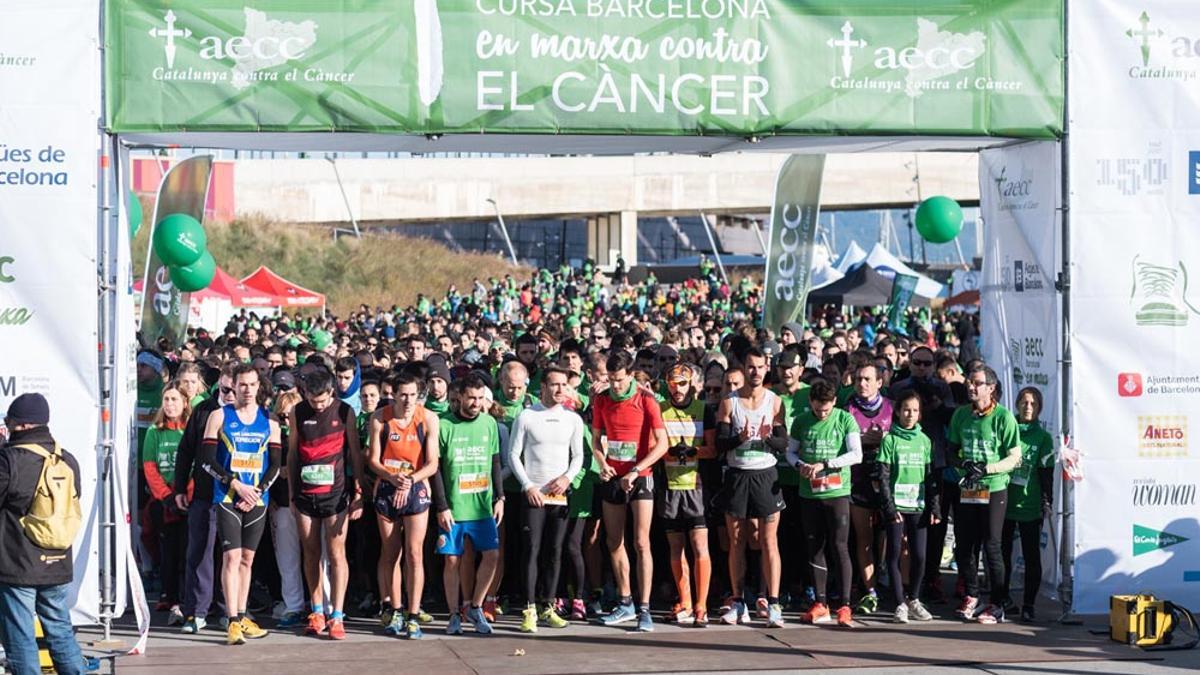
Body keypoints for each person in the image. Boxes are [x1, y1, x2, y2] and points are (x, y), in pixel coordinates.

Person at [0, 393, 85, 675]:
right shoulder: (66, 459)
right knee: (60, 629)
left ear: (21, 425)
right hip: (58, 560)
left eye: (9, 421)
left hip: (18, 563)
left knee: (20, 634)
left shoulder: (10, 459)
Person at [200, 363, 282, 645]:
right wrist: (235, 485)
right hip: (227, 497)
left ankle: (244, 614)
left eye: (252, 385)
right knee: (231, 558)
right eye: (242, 384)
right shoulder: (219, 416)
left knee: (248, 560)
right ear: (233, 386)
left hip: (257, 500)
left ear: (260, 387)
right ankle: (232, 619)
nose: (247, 390)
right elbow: (206, 460)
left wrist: (256, 492)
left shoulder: (270, 421)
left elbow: (276, 467)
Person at [593, 351, 669, 632]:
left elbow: (662, 444)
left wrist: (637, 470)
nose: (615, 386)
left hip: (641, 476)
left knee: (641, 542)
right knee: (613, 541)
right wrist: (602, 463)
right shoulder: (602, 399)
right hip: (613, 476)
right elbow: (596, 438)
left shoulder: (646, 399)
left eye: (620, 380)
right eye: (611, 380)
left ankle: (645, 608)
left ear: (631, 375)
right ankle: (626, 602)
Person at [288, 367, 364, 640]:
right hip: (306, 494)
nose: (318, 406)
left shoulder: (345, 412)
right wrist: (292, 493)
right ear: (305, 393)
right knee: (310, 552)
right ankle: (317, 609)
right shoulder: (297, 412)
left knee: (336, 554)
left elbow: (355, 452)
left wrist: (360, 491)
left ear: (332, 392)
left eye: (322, 401)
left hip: (336, 493)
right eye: (312, 400)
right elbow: (293, 453)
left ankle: (337, 614)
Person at [507, 366, 584, 633]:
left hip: (559, 496)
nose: (561, 389)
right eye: (555, 385)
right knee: (532, 550)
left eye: (564, 384)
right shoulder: (527, 416)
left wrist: (567, 479)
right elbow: (513, 455)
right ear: (542, 388)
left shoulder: (573, 419)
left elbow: (578, 456)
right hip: (533, 495)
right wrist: (527, 485)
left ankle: (548, 605)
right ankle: (529, 608)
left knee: (555, 551)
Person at [714, 348, 787, 628]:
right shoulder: (729, 402)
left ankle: (774, 603)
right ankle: (738, 600)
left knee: (769, 541)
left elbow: (784, 444)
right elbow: (720, 445)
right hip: (737, 476)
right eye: (750, 367)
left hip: (765, 476)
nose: (755, 372)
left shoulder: (775, 402)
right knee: (736, 541)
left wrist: (769, 440)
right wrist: (738, 438)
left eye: (760, 367)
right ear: (743, 368)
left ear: (767, 368)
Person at [368, 372, 439, 639]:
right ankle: (395, 608)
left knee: (414, 553)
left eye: (413, 395)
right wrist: (391, 477)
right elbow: (373, 460)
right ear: (394, 395)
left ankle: (413, 612)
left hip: (416, 486)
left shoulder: (429, 418)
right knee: (390, 553)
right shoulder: (379, 418)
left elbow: (432, 463)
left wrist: (409, 480)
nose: (408, 400)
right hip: (387, 487)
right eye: (403, 395)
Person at [432, 374, 504, 635]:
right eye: (471, 398)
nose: (475, 403)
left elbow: (495, 461)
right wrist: (442, 506)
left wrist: (500, 497)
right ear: (460, 397)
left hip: (482, 506)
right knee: (452, 560)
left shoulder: (489, 423)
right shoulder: (444, 425)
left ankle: (475, 606)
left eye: (480, 398)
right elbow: (436, 469)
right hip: (454, 507)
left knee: (492, 556)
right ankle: (453, 614)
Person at [949, 365, 1022, 624]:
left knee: (992, 545)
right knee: (966, 545)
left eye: (977, 383)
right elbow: (952, 449)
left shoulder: (1004, 417)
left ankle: (998, 603)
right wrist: (963, 464)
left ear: (991, 388)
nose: (971, 386)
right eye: (969, 382)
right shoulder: (961, 414)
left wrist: (987, 468)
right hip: (969, 486)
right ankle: (971, 595)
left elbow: (1015, 457)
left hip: (994, 486)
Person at [787, 378, 862, 628]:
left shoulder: (844, 419)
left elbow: (856, 454)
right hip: (810, 493)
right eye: (818, 409)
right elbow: (790, 451)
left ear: (834, 403)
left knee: (839, 546)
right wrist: (800, 465)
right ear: (811, 402)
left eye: (826, 409)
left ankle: (844, 604)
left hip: (837, 492)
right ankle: (820, 603)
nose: (822, 413)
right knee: (814, 547)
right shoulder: (801, 421)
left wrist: (827, 464)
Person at [174, 366, 237, 634]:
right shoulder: (203, 411)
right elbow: (186, 450)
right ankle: (197, 611)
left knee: (232, 556)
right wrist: (179, 487)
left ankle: (228, 610)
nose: (232, 394)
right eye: (225, 390)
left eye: (238, 389)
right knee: (199, 553)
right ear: (217, 387)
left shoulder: (251, 413)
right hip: (204, 492)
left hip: (237, 496)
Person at [658, 364, 715, 626]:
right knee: (675, 548)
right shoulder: (660, 410)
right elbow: (654, 446)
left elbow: (712, 450)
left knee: (700, 546)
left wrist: (692, 451)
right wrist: (672, 452)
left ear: (691, 384)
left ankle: (701, 606)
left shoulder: (705, 409)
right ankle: (686, 601)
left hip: (697, 486)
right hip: (669, 485)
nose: (677, 389)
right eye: (672, 383)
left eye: (682, 383)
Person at [875, 390, 939, 624]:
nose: (910, 415)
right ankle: (900, 603)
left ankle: (914, 599)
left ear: (920, 414)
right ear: (898, 412)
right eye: (906, 410)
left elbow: (930, 476)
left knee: (920, 556)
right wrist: (889, 507)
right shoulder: (890, 440)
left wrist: (935, 507)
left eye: (914, 411)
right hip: (897, 507)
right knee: (893, 554)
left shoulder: (924, 441)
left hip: (919, 506)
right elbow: (882, 476)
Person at [1002, 387, 1055, 623]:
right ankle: (1001, 599)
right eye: (1024, 402)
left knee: (1031, 556)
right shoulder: (1007, 428)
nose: (1028, 407)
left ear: (1040, 408)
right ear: (1017, 404)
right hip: (1003, 501)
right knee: (1001, 555)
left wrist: (1047, 500)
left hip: (1030, 504)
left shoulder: (1043, 438)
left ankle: (1029, 605)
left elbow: (1046, 473)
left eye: (1033, 403)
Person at [844, 363, 892, 616]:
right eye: (859, 379)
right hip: (857, 479)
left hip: (886, 480)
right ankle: (869, 590)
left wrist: (883, 439)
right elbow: (841, 440)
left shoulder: (891, 407)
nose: (862, 384)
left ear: (879, 383)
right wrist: (864, 440)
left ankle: (885, 576)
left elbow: (901, 437)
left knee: (884, 536)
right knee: (863, 538)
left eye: (867, 379)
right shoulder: (847, 409)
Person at [142, 381, 191, 624]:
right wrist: (168, 496)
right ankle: (171, 600)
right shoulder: (154, 431)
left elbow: (196, 465)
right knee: (168, 553)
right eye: (167, 400)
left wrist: (185, 494)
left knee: (187, 553)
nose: (170, 404)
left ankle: (188, 600)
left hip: (189, 500)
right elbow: (150, 468)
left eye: (175, 400)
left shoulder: (190, 429)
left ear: (185, 403)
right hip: (164, 502)